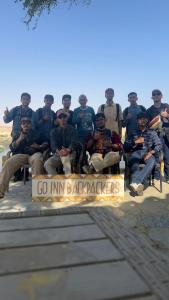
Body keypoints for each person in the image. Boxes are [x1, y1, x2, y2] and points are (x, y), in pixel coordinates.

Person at [0, 117, 49, 199]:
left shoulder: (37, 133)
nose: (26, 124)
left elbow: (46, 142)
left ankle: (37, 191)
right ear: (21, 125)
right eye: (24, 123)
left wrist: (39, 146)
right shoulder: (17, 134)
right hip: (21, 155)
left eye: (28, 123)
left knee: (37, 160)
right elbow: (12, 148)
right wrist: (19, 139)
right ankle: (1, 190)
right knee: (8, 163)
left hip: (34, 154)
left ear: (30, 124)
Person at [124, 112, 162, 196]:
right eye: (140, 118)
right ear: (137, 121)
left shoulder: (152, 132)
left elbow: (159, 144)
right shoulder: (132, 132)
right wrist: (135, 142)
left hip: (147, 152)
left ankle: (135, 182)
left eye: (145, 118)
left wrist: (151, 152)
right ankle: (139, 185)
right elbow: (125, 146)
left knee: (152, 161)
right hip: (135, 152)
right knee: (134, 164)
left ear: (148, 120)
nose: (143, 120)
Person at [147, 89, 169, 183]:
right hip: (155, 136)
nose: (156, 96)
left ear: (161, 96)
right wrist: (154, 122)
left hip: (166, 135)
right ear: (152, 97)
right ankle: (157, 177)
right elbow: (148, 125)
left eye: (158, 94)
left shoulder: (166, 106)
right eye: (154, 94)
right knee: (156, 158)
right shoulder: (149, 110)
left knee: (167, 157)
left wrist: (167, 116)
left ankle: (168, 177)